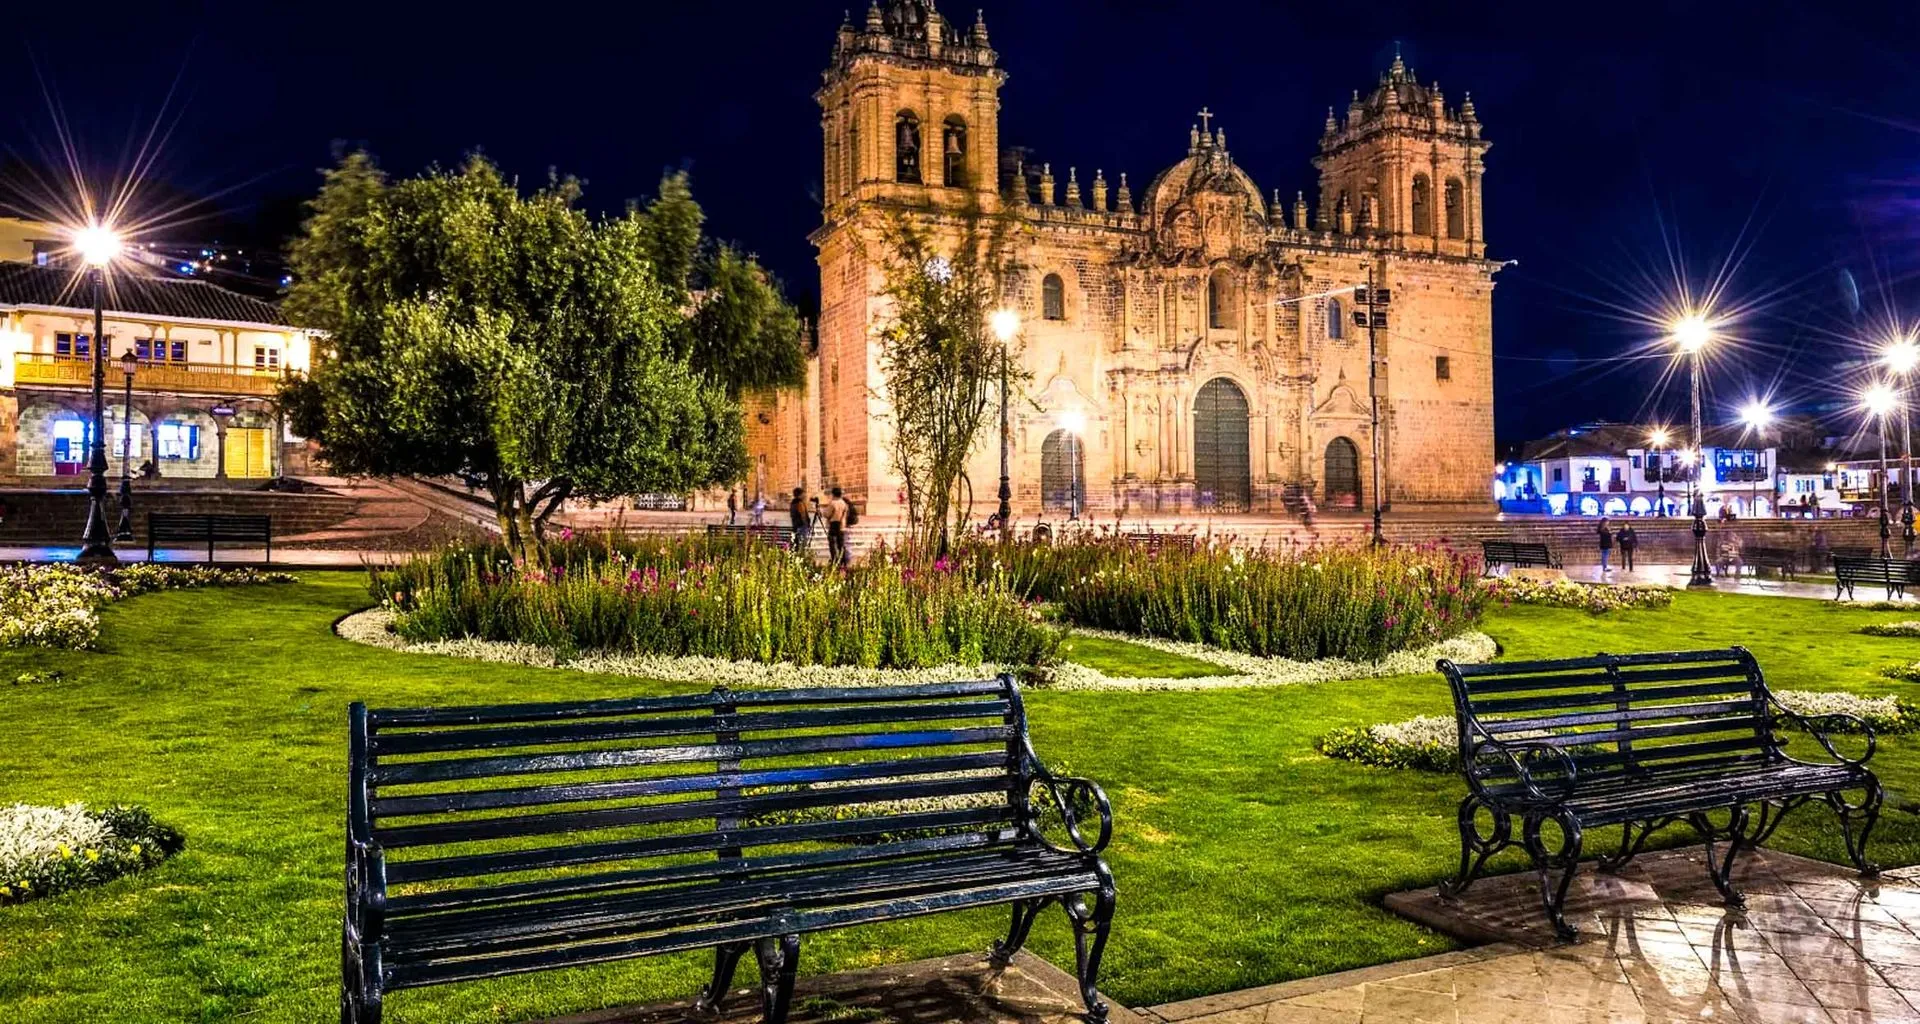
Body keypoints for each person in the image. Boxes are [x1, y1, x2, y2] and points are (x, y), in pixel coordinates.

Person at [825, 486, 850, 568]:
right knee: (841, 544)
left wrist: (822, 513)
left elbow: (827, 514)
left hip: (833, 524)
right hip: (841, 525)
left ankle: (834, 560)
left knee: (832, 544)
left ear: (833, 494)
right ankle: (843, 561)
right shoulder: (844, 503)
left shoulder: (832, 503)